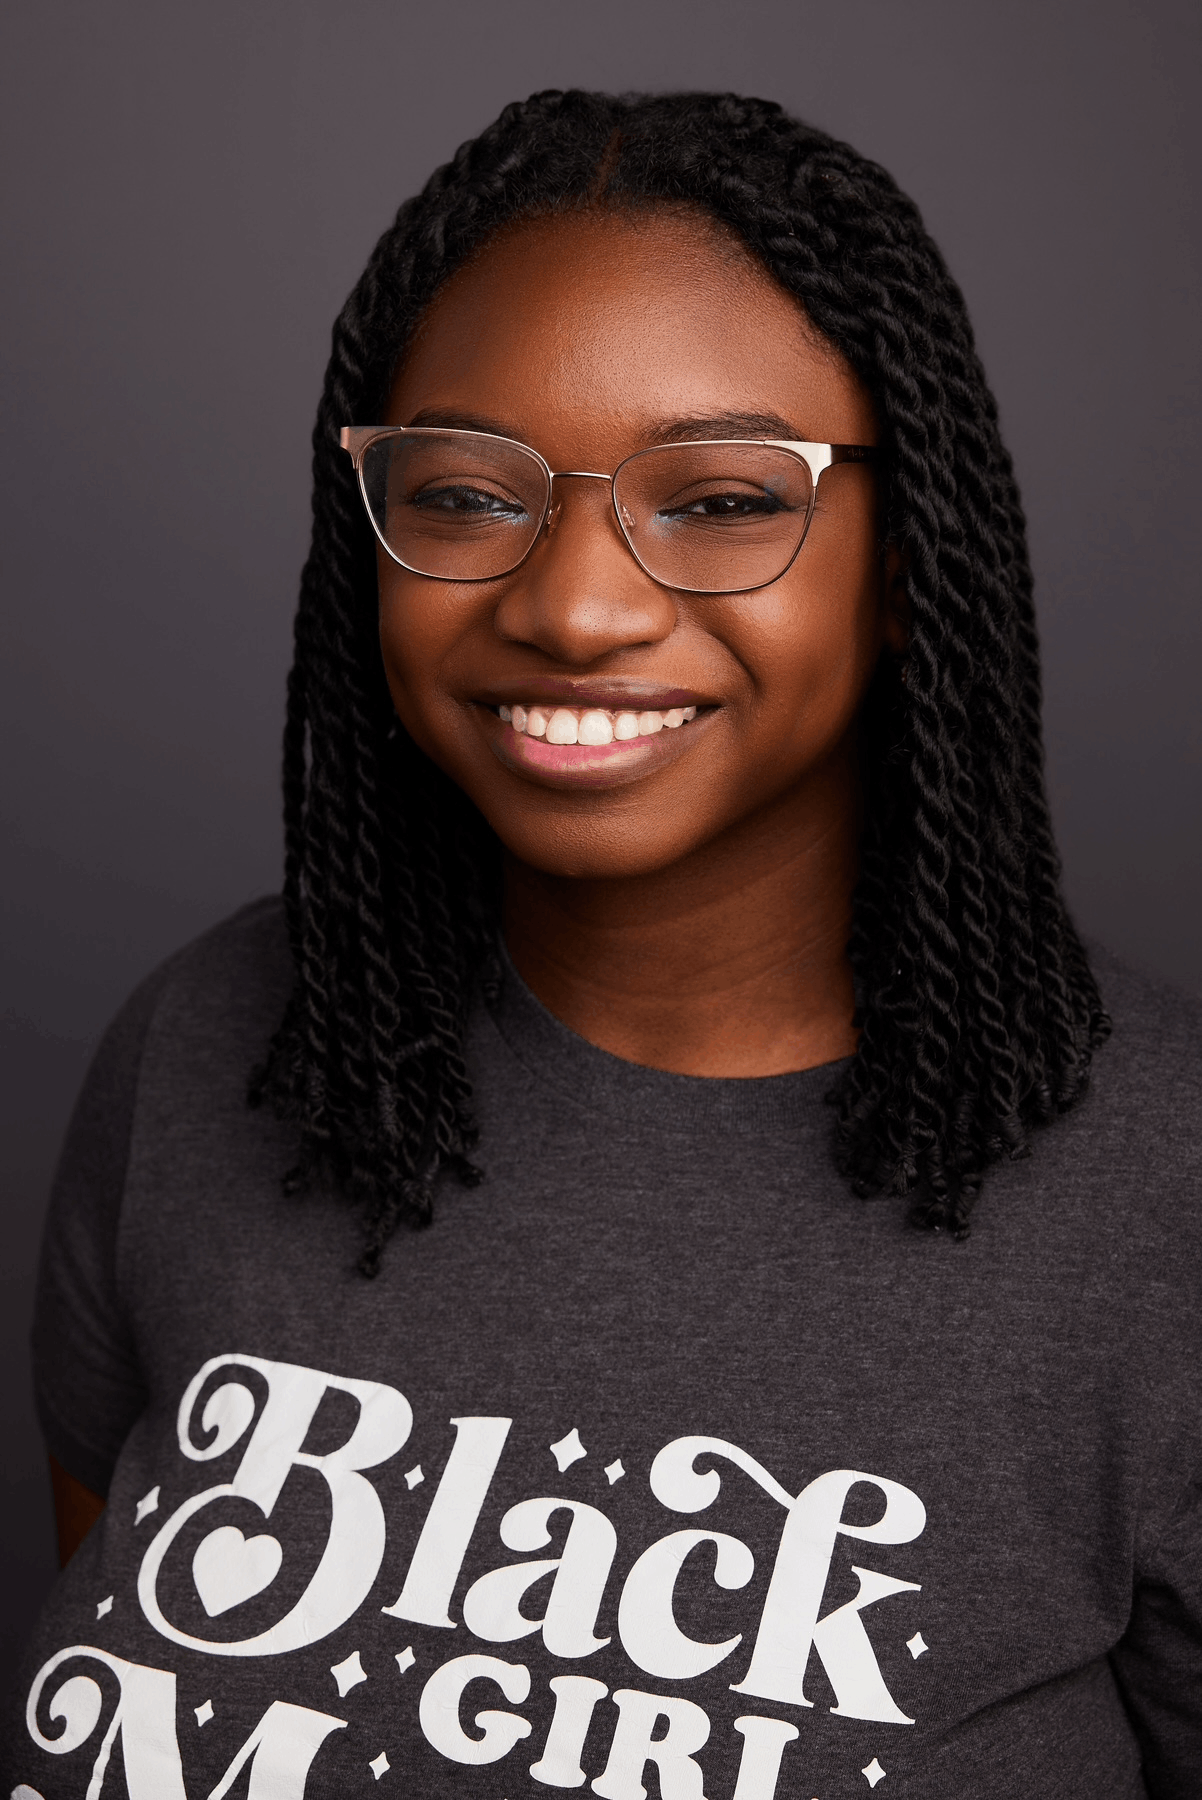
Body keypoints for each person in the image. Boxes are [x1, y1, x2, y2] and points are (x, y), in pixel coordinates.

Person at [5, 88, 1200, 1800]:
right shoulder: (211, 1045)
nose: (571, 607)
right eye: (467, 492)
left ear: (911, 557)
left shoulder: (1168, 1203)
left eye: (719, 499)